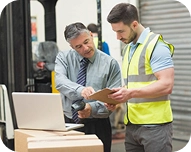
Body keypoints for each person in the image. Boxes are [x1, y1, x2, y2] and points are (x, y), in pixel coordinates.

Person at [107, 3, 174, 152]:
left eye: (121, 31)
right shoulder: (129, 48)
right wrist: (120, 95)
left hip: (155, 127)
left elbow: (167, 84)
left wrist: (130, 93)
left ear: (134, 24)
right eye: (115, 32)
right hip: (132, 125)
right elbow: (136, 83)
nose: (118, 37)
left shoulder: (156, 46)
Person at [54, 22, 122, 152]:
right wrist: (81, 90)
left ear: (91, 35)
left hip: (98, 125)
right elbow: (60, 81)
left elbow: (114, 96)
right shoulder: (64, 58)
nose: (85, 48)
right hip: (68, 123)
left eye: (86, 41)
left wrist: (92, 108)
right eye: (78, 46)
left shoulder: (110, 64)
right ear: (71, 46)